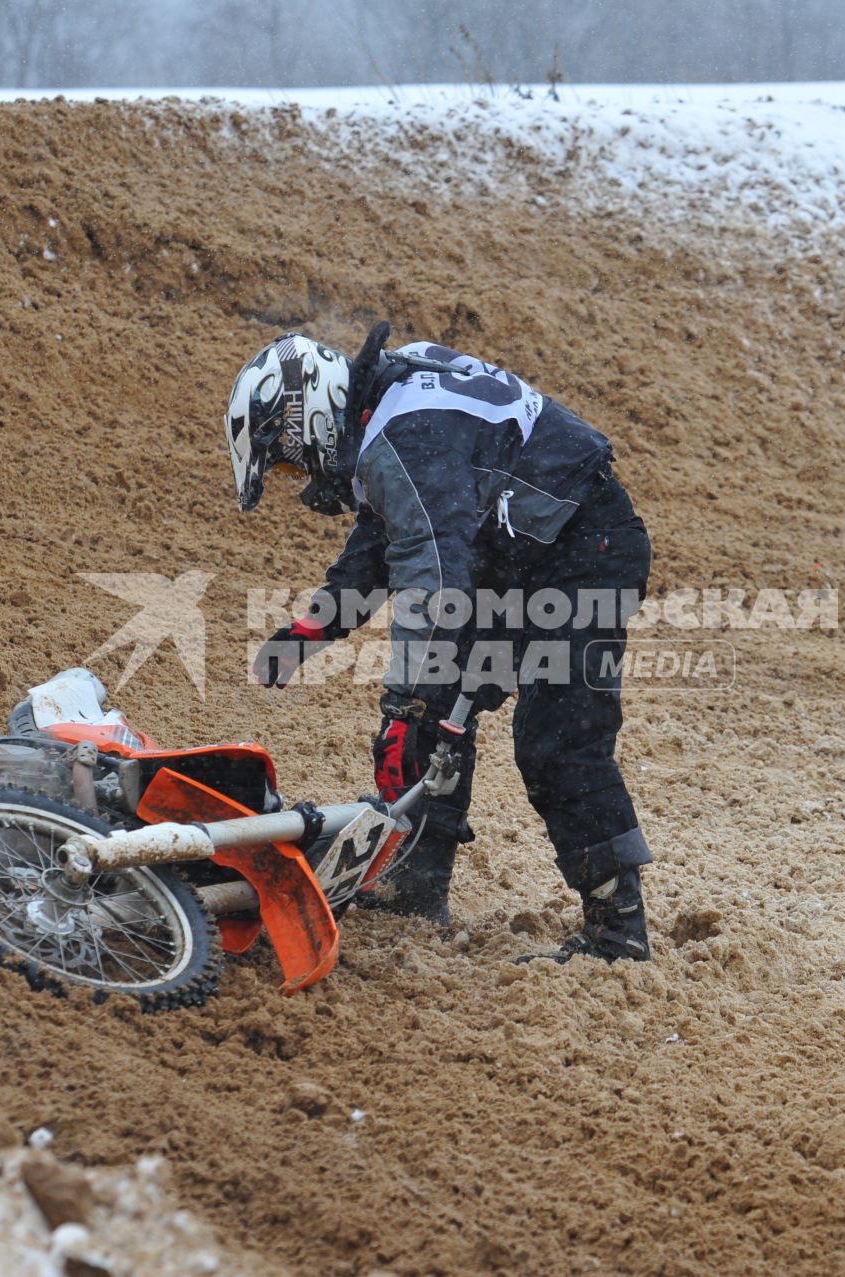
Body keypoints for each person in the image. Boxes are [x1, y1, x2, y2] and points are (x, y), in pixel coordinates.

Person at [225, 324, 654, 963]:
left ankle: (619, 935)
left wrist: (405, 705)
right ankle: (416, 887)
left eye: (287, 457)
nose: (298, 474)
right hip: (526, 549)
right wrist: (315, 627)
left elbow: (433, 576)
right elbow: (388, 535)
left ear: (305, 413)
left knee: (556, 740)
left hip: (585, 551)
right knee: (432, 714)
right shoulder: (391, 406)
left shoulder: (399, 434)